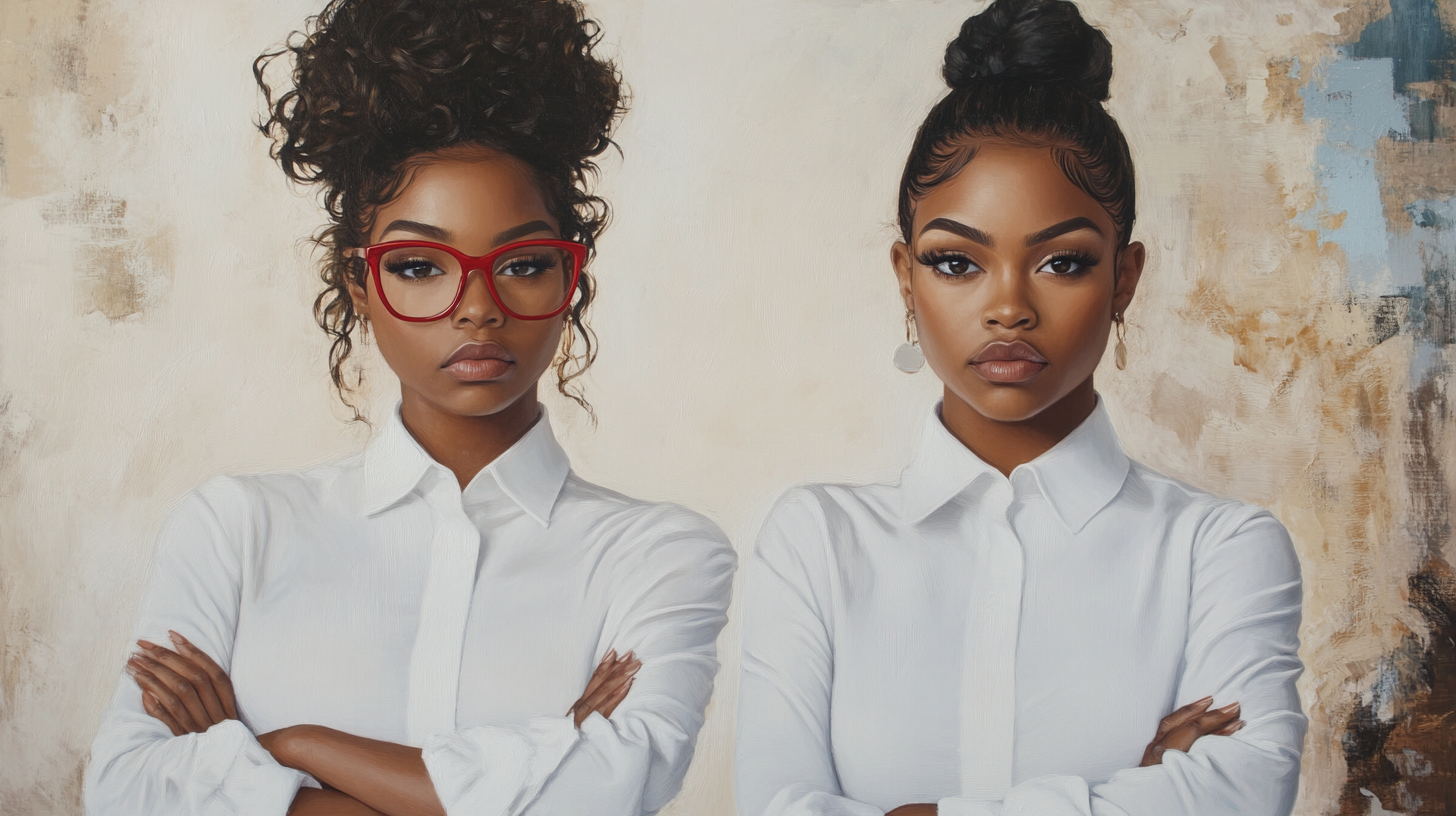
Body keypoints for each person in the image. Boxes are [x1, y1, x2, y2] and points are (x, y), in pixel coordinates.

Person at [83, 2, 735, 814]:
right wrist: (539, 760)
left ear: (573, 278)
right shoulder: (234, 529)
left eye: (524, 261)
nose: (477, 308)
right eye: (422, 266)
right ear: (360, 284)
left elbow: (601, 795)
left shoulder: (660, 555)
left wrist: (282, 748)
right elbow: (124, 790)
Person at [734, 1, 1305, 815]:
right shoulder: (817, 545)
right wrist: (1135, 794)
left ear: (1126, 279)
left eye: (1063, 262)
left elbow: (1239, 800)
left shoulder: (1220, 553)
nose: (1008, 307)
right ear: (906, 277)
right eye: (957, 263)